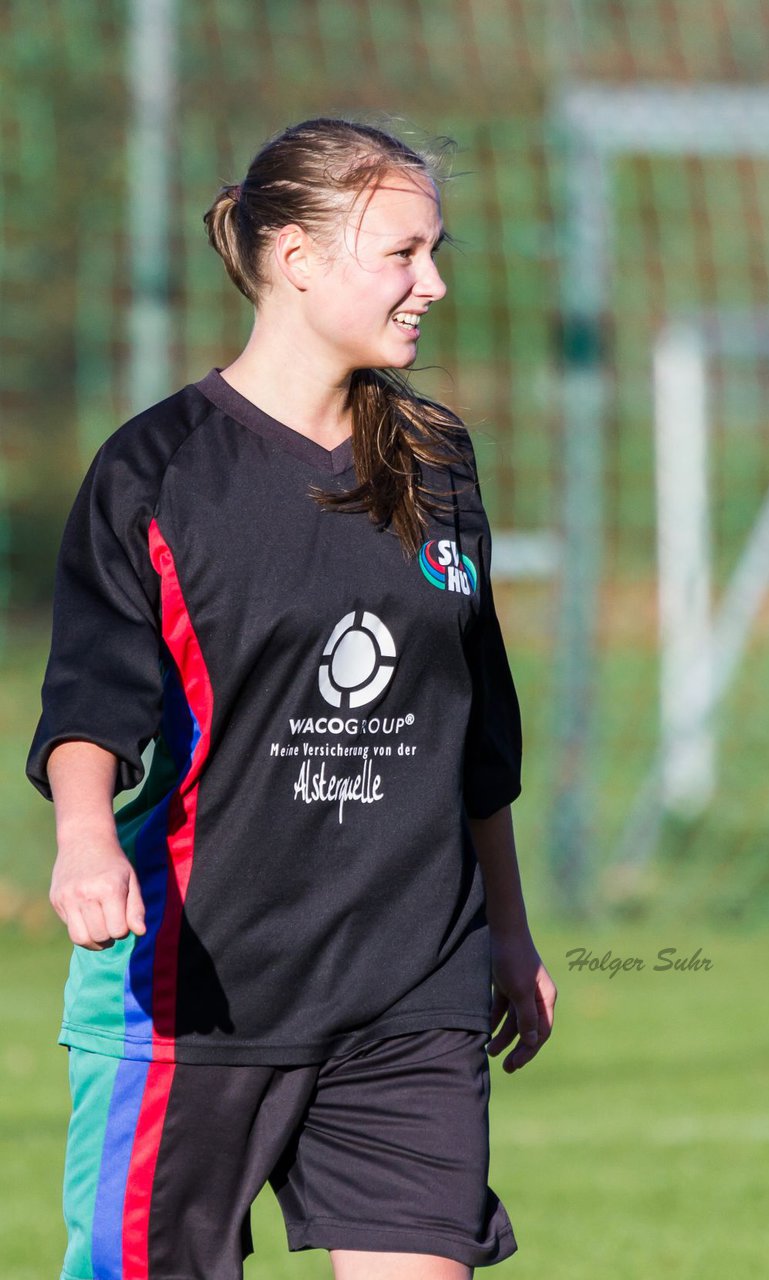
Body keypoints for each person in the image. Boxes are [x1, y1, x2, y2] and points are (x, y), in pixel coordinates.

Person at [27, 117, 557, 1280]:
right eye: (403, 253)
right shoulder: (156, 469)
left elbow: (477, 729)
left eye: (435, 249)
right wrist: (81, 842)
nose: (436, 282)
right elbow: (90, 699)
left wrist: (507, 933)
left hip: (410, 982)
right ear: (296, 257)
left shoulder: (433, 461)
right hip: (201, 981)